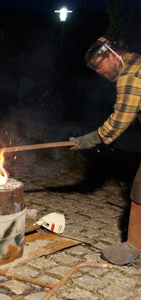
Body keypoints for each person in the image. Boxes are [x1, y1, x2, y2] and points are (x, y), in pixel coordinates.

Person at [69, 36, 141, 266]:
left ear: (112, 54)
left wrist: (91, 139)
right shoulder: (136, 62)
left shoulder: (131, 75)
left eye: (99, 65)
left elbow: (120, 120)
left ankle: (133, 248)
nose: (98, 71)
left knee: (140, 191)